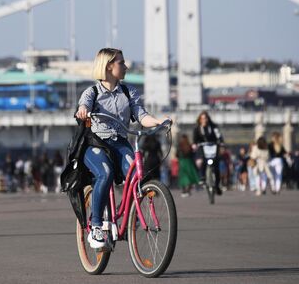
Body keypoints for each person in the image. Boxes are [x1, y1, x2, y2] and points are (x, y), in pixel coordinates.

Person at [75, 48, 170, 249]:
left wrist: (159, 122)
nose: (125, 66)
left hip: (120, 142)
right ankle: (97, 226)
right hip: (95, 143)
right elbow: (82, 107)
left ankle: (129, 214)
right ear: (109, 66)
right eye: (121, 62)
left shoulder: (128, 91)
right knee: (105, 173)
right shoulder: (92, 93)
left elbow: (141, 116)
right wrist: (83, 111)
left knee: (136, 175)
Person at [192, 111, 224, 196]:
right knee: (203, 161)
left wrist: (220, 142)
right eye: (202, 118)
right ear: (200, 119)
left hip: (213, 147)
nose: (204, 120)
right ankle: (202, 177)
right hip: (203, 148)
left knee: (216, 166)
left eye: (205, 118)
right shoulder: (197, 128)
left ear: (208, 118)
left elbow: (219, 135)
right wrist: (195, 144)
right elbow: (195, 139)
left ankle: (217, 185)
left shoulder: (213, 127)